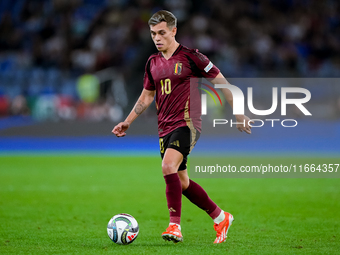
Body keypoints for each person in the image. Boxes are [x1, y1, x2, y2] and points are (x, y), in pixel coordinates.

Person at [112, 10, 252, 244]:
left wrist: (238, 112)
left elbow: (222, 82)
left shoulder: (192, 57)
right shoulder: (152, 62)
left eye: (162, 33)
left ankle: (174, 226)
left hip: (188, 124)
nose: (157, 38)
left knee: (168, 166)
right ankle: (220, 217)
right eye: (153, 33)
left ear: (174, 31)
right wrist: (128, 121)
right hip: (164, 128)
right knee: (182, 182)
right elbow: (146, 97)